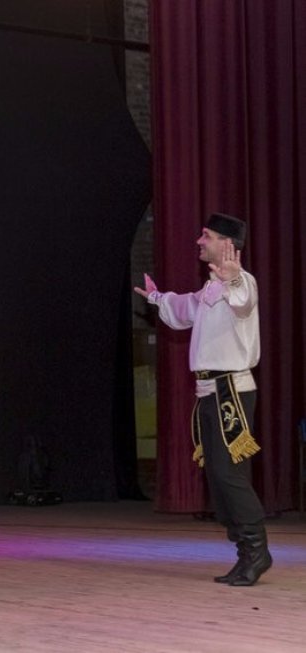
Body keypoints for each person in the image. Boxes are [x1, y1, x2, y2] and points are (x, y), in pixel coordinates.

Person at [134, 212, 271, 587]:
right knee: (218, 476)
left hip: (231, 391)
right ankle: (246, 552)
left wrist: (233, 278)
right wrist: (157, 297)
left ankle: (257, 551)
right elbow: (184, 309)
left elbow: (243, 302)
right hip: (210, 391)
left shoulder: (243, 282)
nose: (199, 240)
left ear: (227, 244)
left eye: (206, 235)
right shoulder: (211, 288)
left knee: (229, 475)